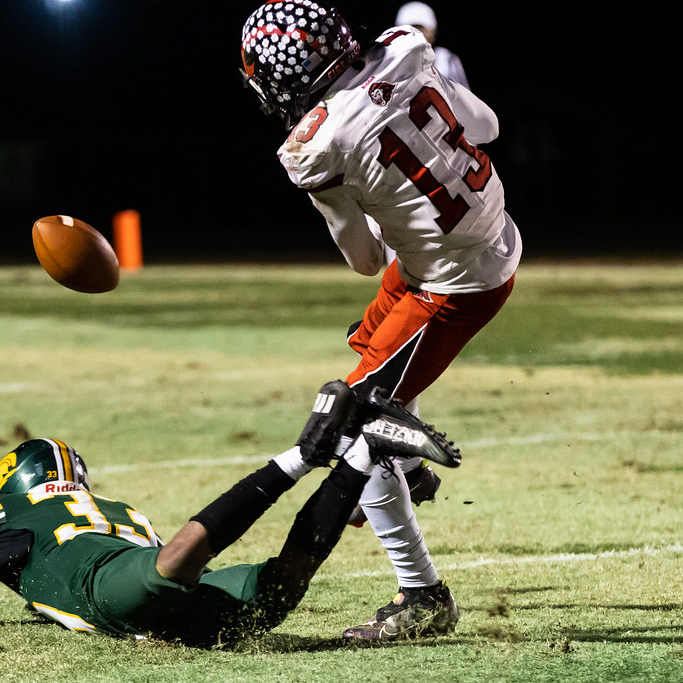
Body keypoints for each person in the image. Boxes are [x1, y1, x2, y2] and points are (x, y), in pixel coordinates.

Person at [239, 1, 521, 641]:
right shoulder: (403, 47)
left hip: (455, 281)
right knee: (367, 349)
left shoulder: (314, 143)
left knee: (351, 424)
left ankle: (422, 596)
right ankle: (409, 469)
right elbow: (488, 126)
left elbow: (365, 259)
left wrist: (366, 191)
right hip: (482, 237)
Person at [0, 380, 461, 646]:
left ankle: (304, 453)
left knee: (177, 564)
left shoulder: (15, 520)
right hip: (147, 583)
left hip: (117, 587)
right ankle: (360, 450)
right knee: (277, 589)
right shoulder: (109, 506)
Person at [395, 2, 469, 89]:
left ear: (432, 32)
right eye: (409, 30)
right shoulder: (387, 61)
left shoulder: (446, 59)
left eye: (420, 29)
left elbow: (463, 98)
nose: (415, 35)